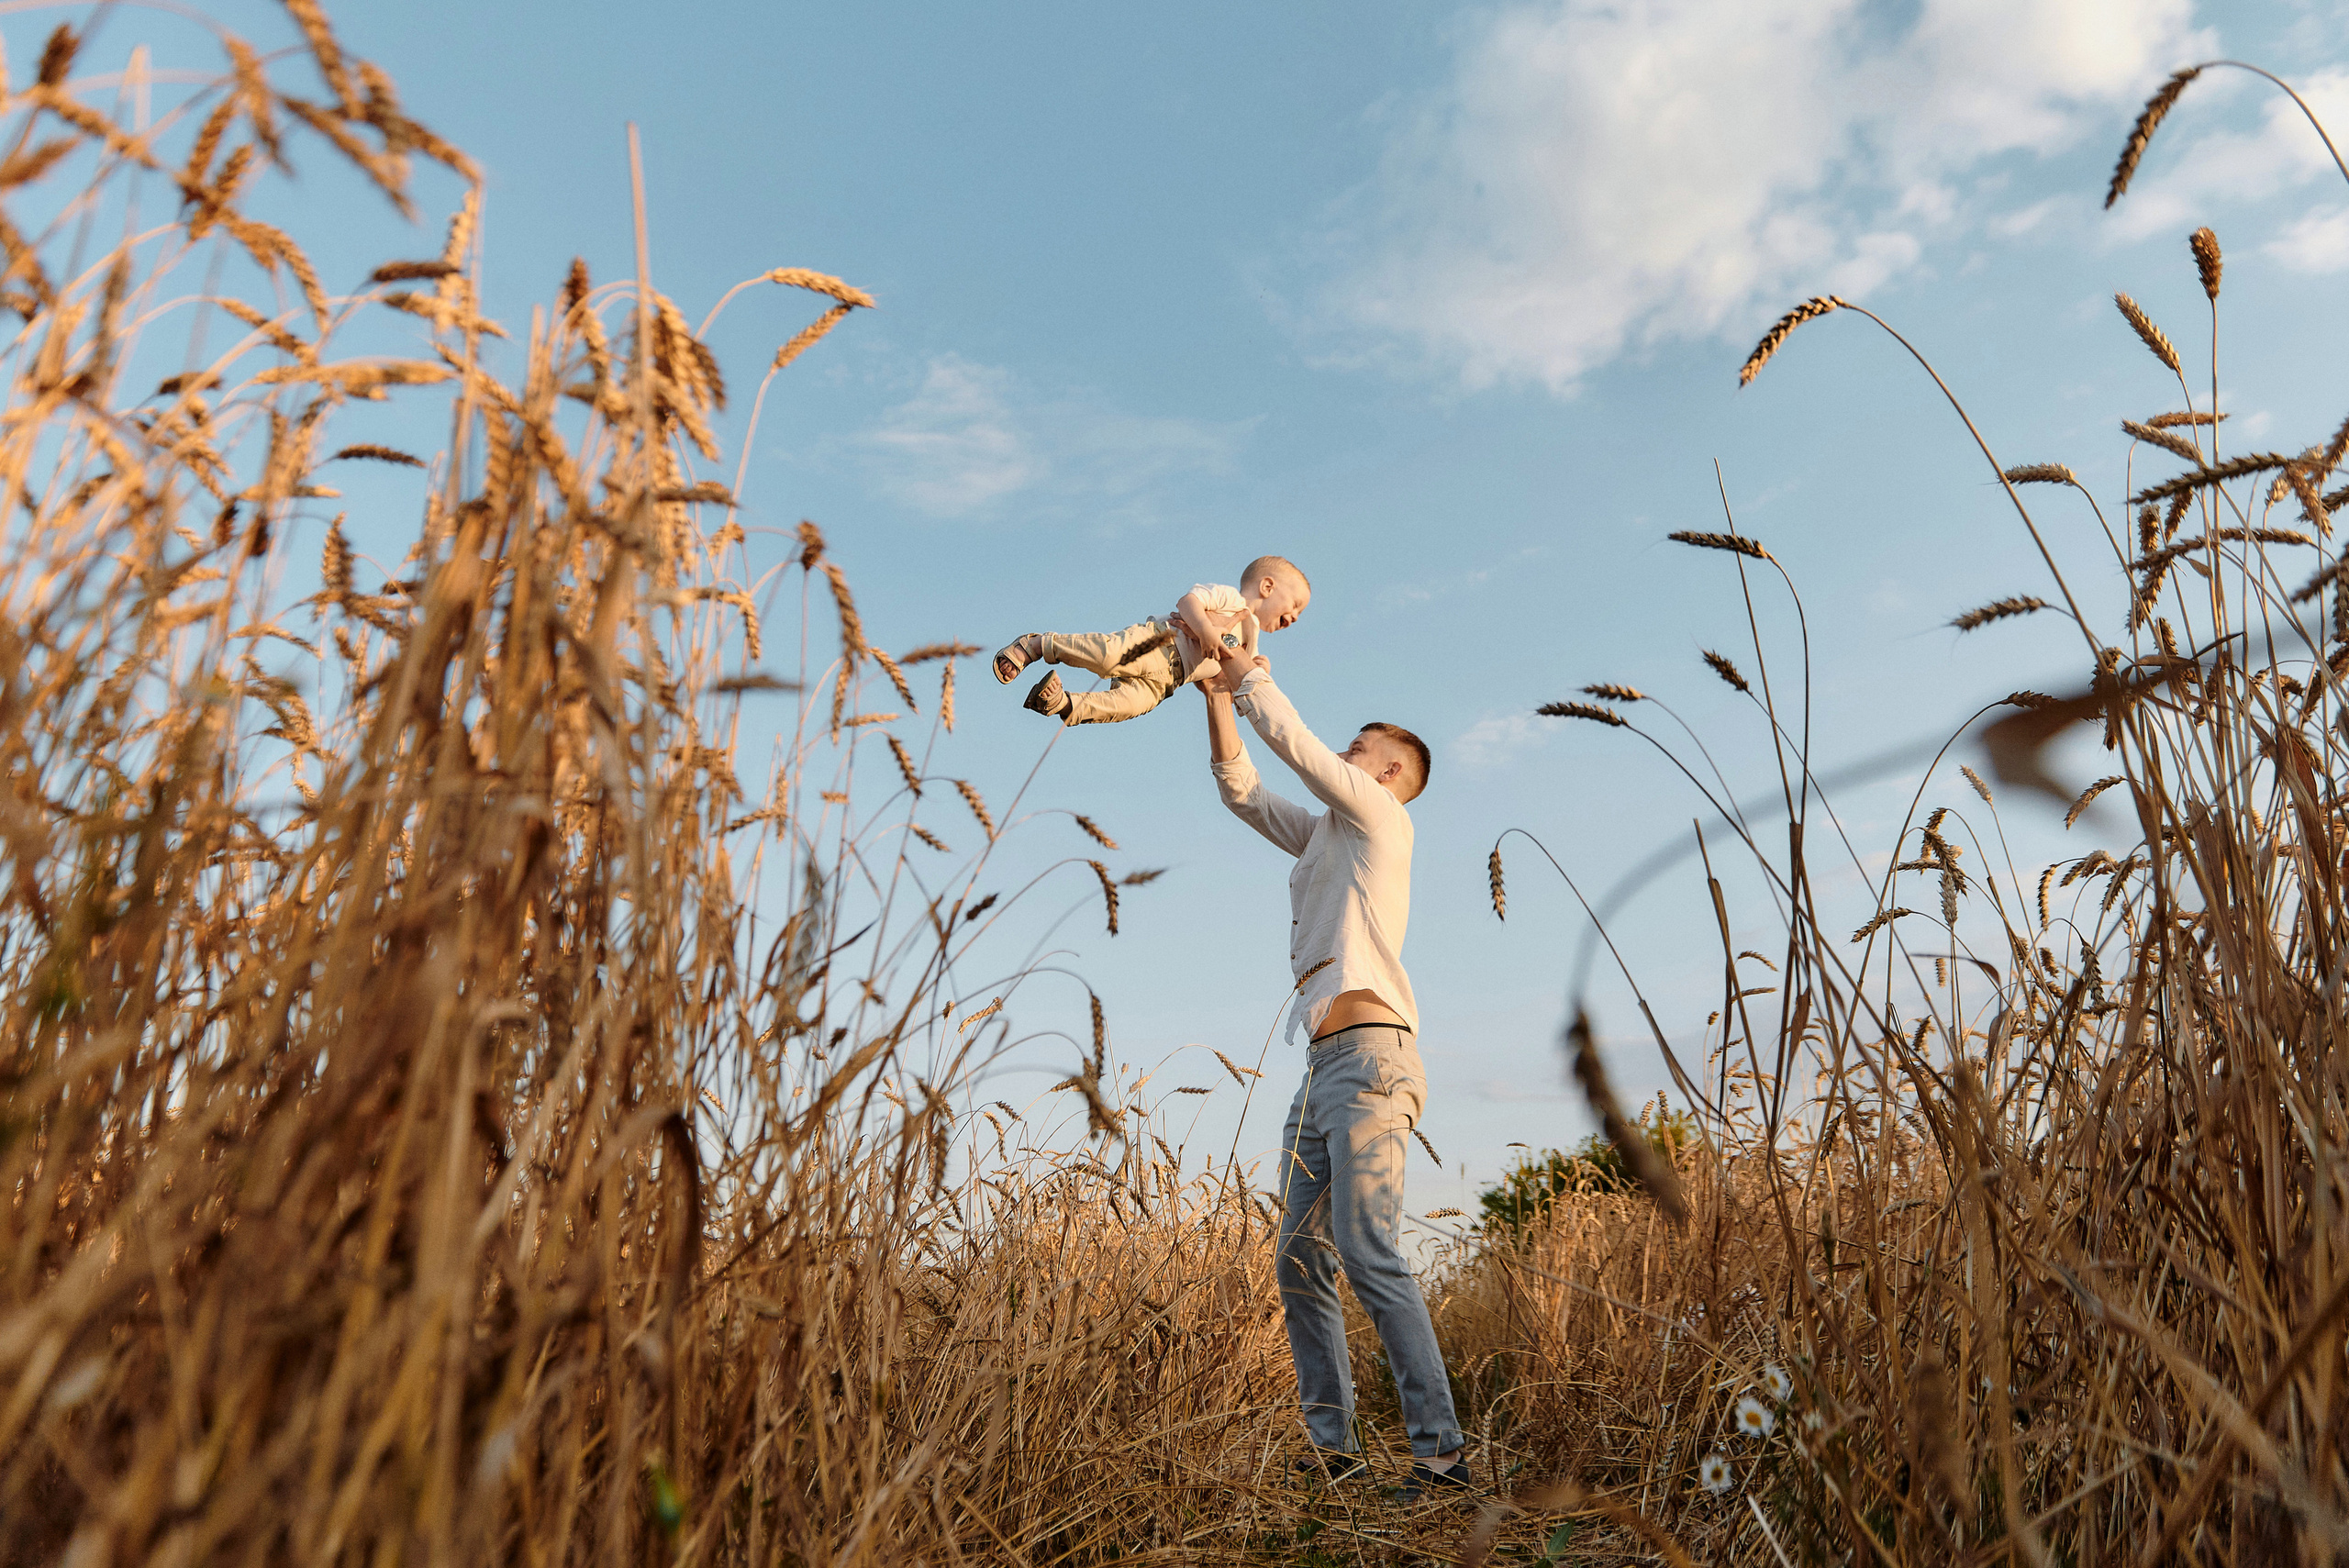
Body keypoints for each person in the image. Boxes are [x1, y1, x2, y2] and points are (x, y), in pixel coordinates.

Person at [1200, 651, 1469, 1503]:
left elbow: (1297, 746)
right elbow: (1243, 788)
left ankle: (1442, 1458)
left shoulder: (1384, 817)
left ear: (1389, 773)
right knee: (1299, 1258)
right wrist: (1216, 698)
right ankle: (1335, 1452)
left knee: (1366, 1248)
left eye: (1360, 747)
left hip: (1374, 1059)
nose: (1343, 755)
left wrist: (1248, 674)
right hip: (1323, 1068)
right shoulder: (1324, 835)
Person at [992, 555, 1310, 727]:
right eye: (1295, 605)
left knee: (1128, 706)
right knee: (1108, 656)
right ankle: (1037, 645)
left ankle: (1061, 703)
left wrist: (1260, 669)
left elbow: (1239, 686)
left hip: (1170, 681)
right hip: (1161, 644)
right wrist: (1206, 631)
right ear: (1267, 587)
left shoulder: (1252, 646)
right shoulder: (1230, 598)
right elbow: (1188, 602)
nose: (1294, 617)